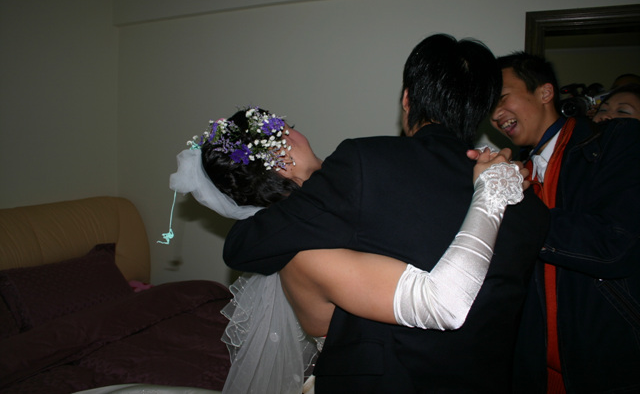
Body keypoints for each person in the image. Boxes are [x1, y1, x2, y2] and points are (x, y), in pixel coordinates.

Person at [222, 34, 550, 393]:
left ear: (407, 99)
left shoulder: (365, 164)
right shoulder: (527, 204)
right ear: (481, 110)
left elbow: (243, 247)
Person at [168, 106, 526, 394]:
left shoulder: (339, 203)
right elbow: (442, 303)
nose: (297, 131)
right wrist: (490, 193)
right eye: (288, 128)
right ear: (281, 159)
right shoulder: (305, 256)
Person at [490, 51, 640, 393]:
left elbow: (614, 244)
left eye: (501, 99)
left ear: (545, 92)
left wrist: (515, 208)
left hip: (610, 369)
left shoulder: (616, 140)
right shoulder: (517, 173)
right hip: (535, 371)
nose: (495, 115)